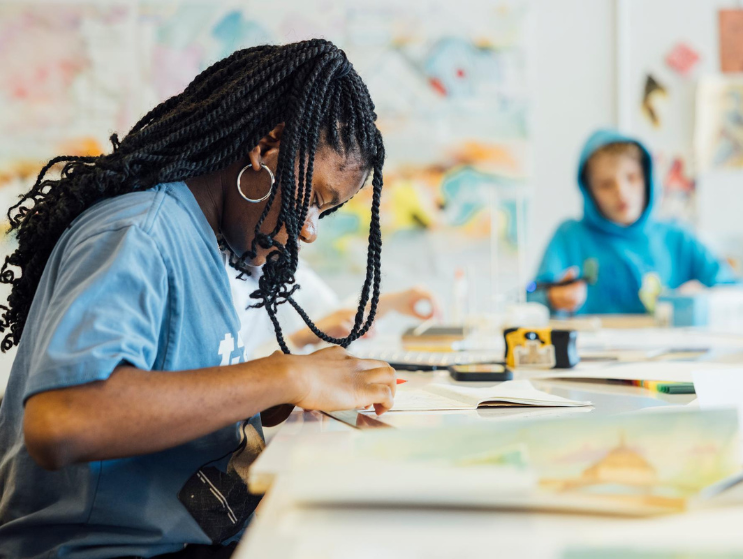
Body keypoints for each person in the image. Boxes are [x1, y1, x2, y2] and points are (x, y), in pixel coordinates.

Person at [0, 40, 398, 559]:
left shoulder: (205, 243)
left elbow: (169, 390)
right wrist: (286, 375)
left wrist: (278, 397)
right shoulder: (138, 233)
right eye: (314, 202)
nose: (308, 232)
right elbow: (62, 422)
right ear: (265, 148)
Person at [528, 129, 736, 315]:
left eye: (632, 177)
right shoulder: (570, 236)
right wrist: (551, 298)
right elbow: (529, 296)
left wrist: (706, 297)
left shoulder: (678, 236)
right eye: (605, 184)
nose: (621, 192)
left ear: (648, 179)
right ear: (588, 191)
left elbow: (734, 289)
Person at [227, 258, 440, 357]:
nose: (310, 233)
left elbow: (335, 317)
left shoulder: (286, 266)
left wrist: (388, 304)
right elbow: (231, 378)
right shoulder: (224, 277)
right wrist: (304, 337)